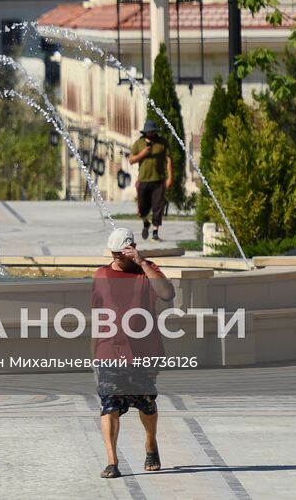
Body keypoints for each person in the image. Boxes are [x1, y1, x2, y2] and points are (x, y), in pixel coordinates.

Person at [92, 226, 176, 479]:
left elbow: (167, 293)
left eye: (122, 253)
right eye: (114, 253)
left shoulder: (146, 270)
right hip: (109, 350)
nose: (117, 258)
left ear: (132, 249)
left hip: (143, 350)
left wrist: (141, 262)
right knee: (109, 405)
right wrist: (93, 355)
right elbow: (97, 316)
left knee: (146, 404)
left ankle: (151, 443)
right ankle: (112, 461)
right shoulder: (102, 275)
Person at [128, 123, 172, 241]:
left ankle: (155, 232)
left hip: (158, 181)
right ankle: (146, 223)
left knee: (158, 207)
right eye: (149, 131)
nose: (151, 133)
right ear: (145, 132)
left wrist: (170, 177)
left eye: (153, 131)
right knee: (142, 209)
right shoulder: (139, 143)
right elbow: (131, 160)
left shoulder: (162, 142)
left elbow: (168, 160)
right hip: (143, 180)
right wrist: (143, 154)